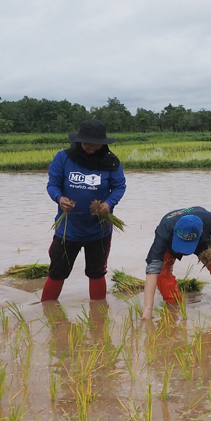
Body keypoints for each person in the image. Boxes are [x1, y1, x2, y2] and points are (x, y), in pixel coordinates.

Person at [42, 119, 127, 302]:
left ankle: (98, 319)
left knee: (96, 272)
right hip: (67, 229)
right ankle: (47, 310)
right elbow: (53, 185)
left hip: (99, 229)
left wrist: (108, 204)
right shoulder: (63, 158)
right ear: (79, 140)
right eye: (87, 142)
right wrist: (60, 198)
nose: (91, 147)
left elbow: (119, 187)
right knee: (57, 272)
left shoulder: (111, 162)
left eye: (96, 144)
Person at [140, 207, 211, 320]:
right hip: (170, 244)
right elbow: (152, 269)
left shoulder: (208, 219)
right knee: (162, 272)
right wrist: (148, 309)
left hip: (201, 241)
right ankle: (173, 304)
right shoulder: (164, 232)